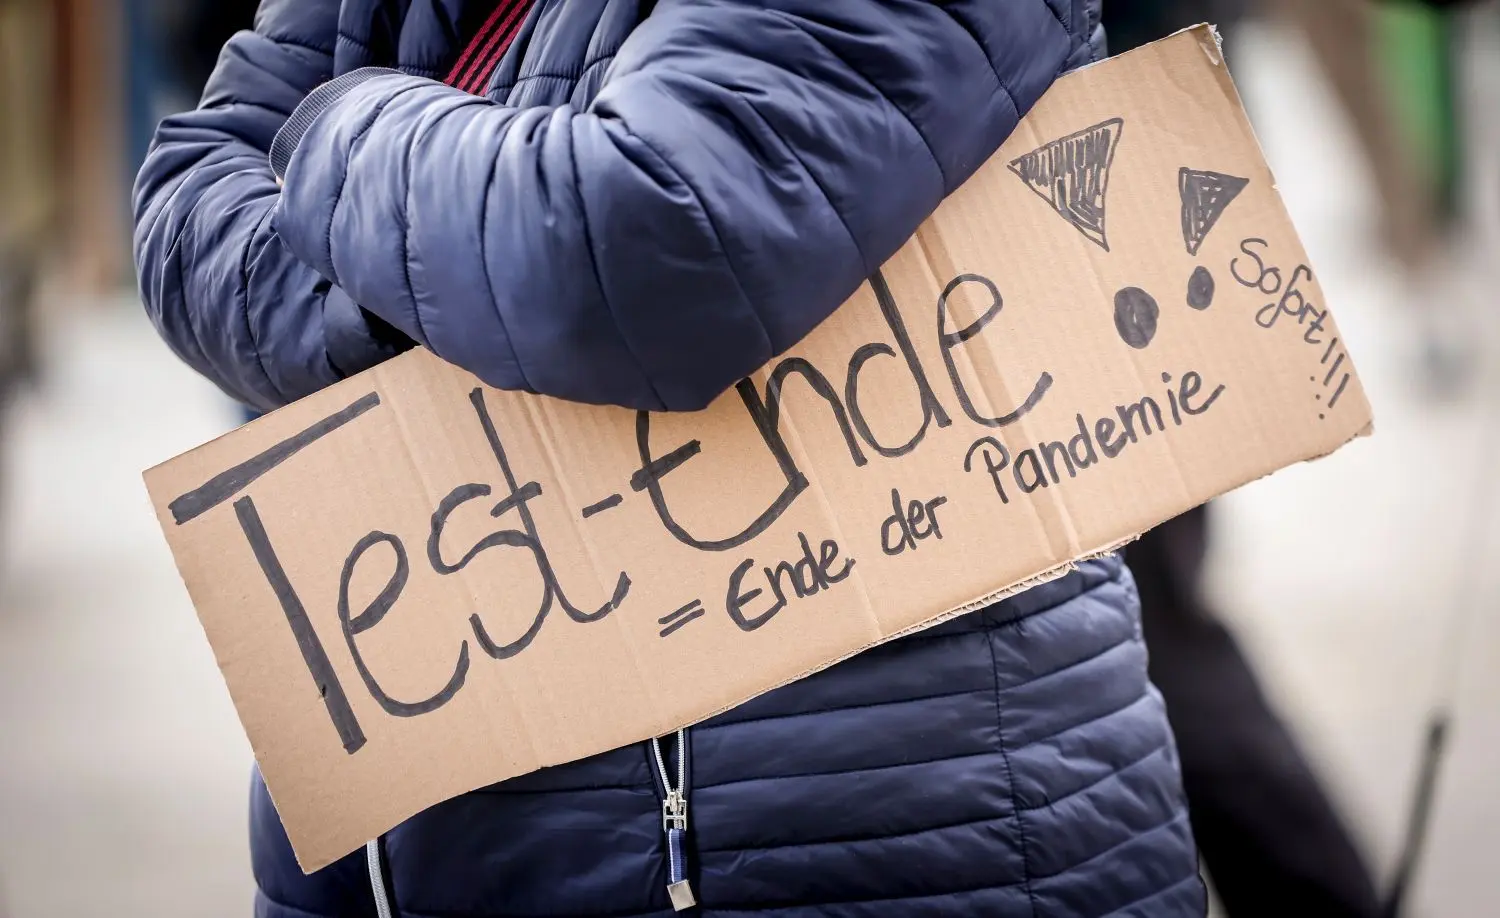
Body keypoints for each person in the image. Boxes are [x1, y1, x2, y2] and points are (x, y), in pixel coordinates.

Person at [133, 1, 1205, 915]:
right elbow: (185, 198)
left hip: (853, 839)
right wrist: (432, 285)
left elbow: (634, 244)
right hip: (430, 837)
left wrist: (341, 130)